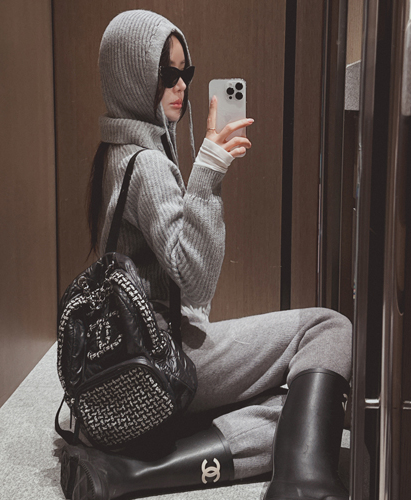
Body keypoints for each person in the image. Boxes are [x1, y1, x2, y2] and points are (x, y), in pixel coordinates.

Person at [60, 9, 353, 500]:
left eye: (186, 72)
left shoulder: (114, 149)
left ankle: (127, 472)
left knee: (303, 410)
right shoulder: (148, 163)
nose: (180, 86)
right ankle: (301, 485)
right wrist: (209, 170)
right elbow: (195, 282)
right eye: (166, 74)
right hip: (162, 355)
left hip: (128, 359)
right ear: (131, 76)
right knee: (328, 329)